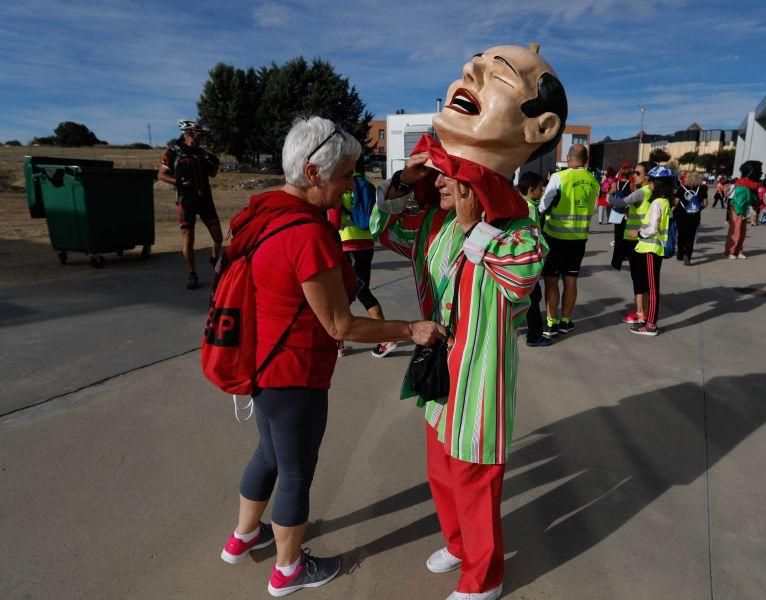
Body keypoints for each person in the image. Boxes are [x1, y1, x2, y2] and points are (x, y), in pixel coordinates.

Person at [219, 117, 443, 598]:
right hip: (294, 372)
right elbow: (341, 325)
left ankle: (242, 538)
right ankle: (288, 570)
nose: (349, 189)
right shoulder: (308, 233)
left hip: (262, 363)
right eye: (344, 177)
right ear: (314, 172)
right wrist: (409, 328)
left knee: (268, 454)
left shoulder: (265, 212)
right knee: (296, 470)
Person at [372, 44, 562, 600]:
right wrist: (406, 185)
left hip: (479, 382)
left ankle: (485, 578)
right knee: (441, 471)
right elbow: (389, 230)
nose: (446, 184)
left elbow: (520, 279)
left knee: (476, 481)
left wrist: (475, 223)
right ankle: (457, 544)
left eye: (454, 179)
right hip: (439, 371)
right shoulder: (433, 220)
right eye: (445, 178)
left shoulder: (517, 226)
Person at [326, 161, 397, 358]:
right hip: (366, 244)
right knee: (360, 289)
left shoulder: (341, 184)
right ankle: (340, 341)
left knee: (345, 292)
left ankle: (382, 337)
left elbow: (334, 219)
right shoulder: (368, 184)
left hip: (347, 243)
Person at [538, 144, 600, 337]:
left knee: (551, 281)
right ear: (587, 159)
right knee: (571, 280)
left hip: (555, 237)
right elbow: (594, 209)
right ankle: (565, 321)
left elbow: (542, 205)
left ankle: (551, 323)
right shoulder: (594, 181)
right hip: (579, 239)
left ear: (568, 157)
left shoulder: (559, 177)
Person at [158, 119, 223, 290]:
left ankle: (214, 260)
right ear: (188, 133)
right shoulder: (174, 152)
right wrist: (177, 182)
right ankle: (192, 273)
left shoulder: (202, 153)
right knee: (188, 237)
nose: (201, 138)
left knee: (218, 237)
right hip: (186, 201)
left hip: (205, 199)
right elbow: (161, 175)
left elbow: (213, 174)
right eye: (198, 134)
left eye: (201, 135)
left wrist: (215, 163)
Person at [625, 165, 675, 337]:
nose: (650, 185)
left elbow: (652, 227)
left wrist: (637, 232)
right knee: (652, 287)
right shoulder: (665, 202)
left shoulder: (656, 203)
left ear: (659, 184)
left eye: (652, 182)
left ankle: (651, 324)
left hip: (650, 248)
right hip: (655, 248)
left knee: (652, 289)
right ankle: (649, 321)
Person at [607, 161, 655, 324]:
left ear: (647, 177)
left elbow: (620, 203)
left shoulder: (643, 192)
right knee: (643, 279)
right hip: (640, 239)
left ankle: (640, 313)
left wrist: (609, 194)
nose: (634, 175)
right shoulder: (650, 192)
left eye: (637, 173)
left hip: (636, 240)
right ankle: (644, 310)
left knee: (638, 279)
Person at [517, 171, 552, 347]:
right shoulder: (530, 209)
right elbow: (532, 237)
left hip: (522, 262)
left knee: (529, 297)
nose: (543, 191)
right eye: (540, 188)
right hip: (529, 262)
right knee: (533, 298)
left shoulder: (521, 203)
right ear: (531, 190)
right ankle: (534, 335)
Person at [725, 161, 762, 259]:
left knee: (742, 231)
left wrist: (755, 202)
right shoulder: (742, 184)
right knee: (735, 230)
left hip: (745, 209)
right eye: (759, 171)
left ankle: (738, 250)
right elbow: (739, 200)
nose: (761, 173)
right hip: (738, 209)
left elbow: (752, 197)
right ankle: (730, 251)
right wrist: (741, 210)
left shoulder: (750, 185)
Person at [673, 171, 707, 265]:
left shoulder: (682, 188)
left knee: (681, 236)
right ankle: (688, 255)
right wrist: (698, 209)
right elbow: (705, 203)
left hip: (681, 216)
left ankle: (680, 255)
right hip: (694, 217)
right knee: (691, 237)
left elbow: (676, 202)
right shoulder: (702, 189)